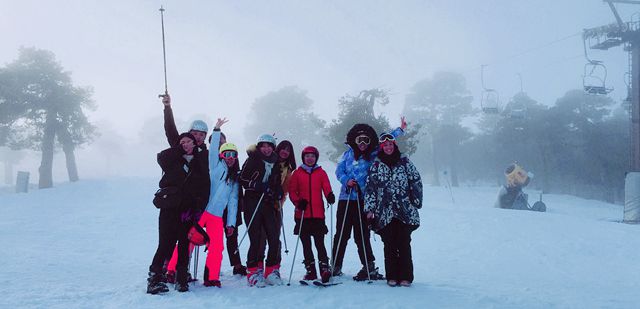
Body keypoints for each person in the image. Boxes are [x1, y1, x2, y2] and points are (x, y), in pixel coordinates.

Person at [331, 118, 407, 281]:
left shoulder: (373, 154)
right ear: (354, 140)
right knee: (341, 234)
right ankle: (335, 265)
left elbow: (386, 141)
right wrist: (346, 180)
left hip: (363, 200)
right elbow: (339, 172)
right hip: (346, 199)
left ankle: (368, 265)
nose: (363, 143)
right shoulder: (347, 154)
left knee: (361, 235)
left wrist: (399, 130)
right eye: (360, 140)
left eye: (366, 139)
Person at [147, 132, 209, 294]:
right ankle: (154, 279)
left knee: (183, 244)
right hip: (169, 209)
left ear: (195, 144)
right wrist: (178, 148)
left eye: (189, 141)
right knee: (165, 244)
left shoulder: (199, 162)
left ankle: (181, 279)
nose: (185, 144)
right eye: (182, 142)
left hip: (187, 211)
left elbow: (204, 186)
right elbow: (161, 157)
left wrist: (199, 210)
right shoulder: (172, 160)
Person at [161, 93, 211, 282]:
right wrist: (167, 108)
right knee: (169, 237)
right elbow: (170, 130)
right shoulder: (181, 146)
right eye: (195, 133)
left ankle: (182, 270)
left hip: (191, 202)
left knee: (187, 238)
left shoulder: (204, 154)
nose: (197, 137)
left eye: (201, 135)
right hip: (174, 200)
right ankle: (167, 268)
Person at [364, 132, 422, 287]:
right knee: (389, 244)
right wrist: (370, 209)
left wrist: (416, 200)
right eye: (385, 145)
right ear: (382, 147)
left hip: (404, 211)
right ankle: (392, 276)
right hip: (384, 212)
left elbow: (415, 180)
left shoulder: (405, 162)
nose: (388, 147)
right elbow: (370, 188)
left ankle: (406, 277)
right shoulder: (376, 165)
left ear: (394, 145)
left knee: (403, 243)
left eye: (390, 145)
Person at [198, 118, 240, 288]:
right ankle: (173, 271)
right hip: (202, 211)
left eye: (233, 155)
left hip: (216, 216)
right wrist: (216, 129)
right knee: (190, 240)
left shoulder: (234, 179)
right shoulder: (215, 166)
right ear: (221, 155)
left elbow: (233, 203)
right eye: (227, 154)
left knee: (217, 247)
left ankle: (212, 277)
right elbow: (214, 147)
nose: (230, 158)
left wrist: (230, 223)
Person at [239, 134, 283, 287]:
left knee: (273, 237)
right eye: (263, 146)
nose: (266, 149)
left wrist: (278, 191)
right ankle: (252, 271)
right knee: (256, 238)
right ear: (259, 147)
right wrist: (257, 185)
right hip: (252, 201)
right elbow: (242, 178)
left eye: (269, 146)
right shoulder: (253, 159)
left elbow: (276, 181)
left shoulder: (276, 161)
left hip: (268, 202)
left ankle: (270, 270)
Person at [288, 146, 335, 283]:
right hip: (302, 214)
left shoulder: (321, 172)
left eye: (312, 156)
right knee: (306, 244)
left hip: (318, 214)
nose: (310, 158)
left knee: (320, 243)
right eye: (307, 156)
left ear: (316, 158)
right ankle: (311, 270)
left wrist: (329, 195)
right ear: (303, 158)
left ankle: (324, 269)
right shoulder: (297, 173)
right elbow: (292, 191)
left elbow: (326, 186)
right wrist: (298, 202)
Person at [256, 140, 296, 272]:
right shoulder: (269, 161)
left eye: (288, 150)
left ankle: (274, 266)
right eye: (282, 148)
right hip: (262, 202)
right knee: (260, 236)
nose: (285, 152)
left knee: (275, 237)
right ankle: (258, 264)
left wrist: (279, 202)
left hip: (276, 205)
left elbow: (285, 189)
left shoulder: (288, 168)